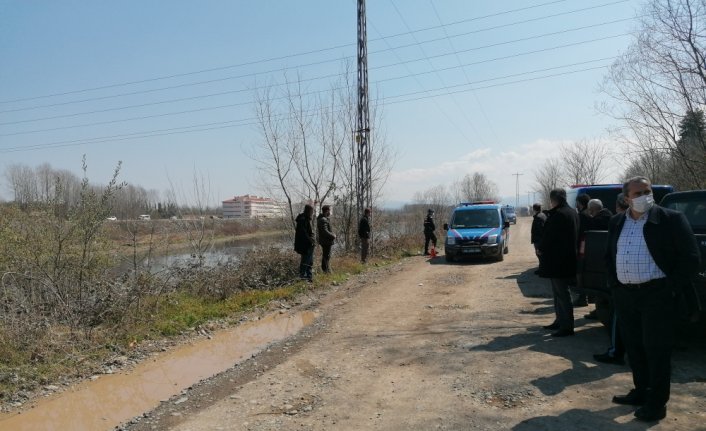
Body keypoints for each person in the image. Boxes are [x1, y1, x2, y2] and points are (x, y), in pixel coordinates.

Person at [607, 176, 700, 422]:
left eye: (647, 191)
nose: (643, 197)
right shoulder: (617, 222)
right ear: (626, 198)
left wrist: (668, 288)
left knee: (656, 350)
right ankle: (641, 391)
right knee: (634, 348)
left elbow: (691, 259)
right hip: (626, 296)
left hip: (656, 297)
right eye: (637, 193)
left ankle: (657, 403)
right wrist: (614, 285)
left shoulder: (670, 219)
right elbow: (610, 255)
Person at [537, 188, 580, 337]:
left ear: (554, 200)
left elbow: (549, 237)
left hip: (558, 260)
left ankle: (567, 326)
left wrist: (541, 248)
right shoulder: (573, 212)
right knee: (558, 293)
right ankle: (559, 321)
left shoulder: (559, 215)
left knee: (562, 294)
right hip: (568, 258)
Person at [572, 193, 592, 307]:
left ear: (580, 203)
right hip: (589, 247)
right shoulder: (589, 213)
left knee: (580, 273)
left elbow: (579, 233)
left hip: (582, 247)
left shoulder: (582, 215)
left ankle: (582, 297)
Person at [294, 204, 315, 282]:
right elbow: (304, 234)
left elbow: (309, 232)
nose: (312, 213)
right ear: (308, 211)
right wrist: (311, 241)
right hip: (305, 246)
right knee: (305, 262)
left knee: (310, 261)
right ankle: (302, 278)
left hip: (309, 245)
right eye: (311, 211)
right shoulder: (302, 220)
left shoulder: (306, 218)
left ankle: (309, 278)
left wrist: (312, 240)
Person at [317, 205, 336, 273]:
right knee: (326, 256)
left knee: (326, 255)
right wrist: (333, 235)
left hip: (325, 241)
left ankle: (326, 270)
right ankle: (326, 270)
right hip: (326, 241)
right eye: (329, 210)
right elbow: (325, 231)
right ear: (327, 211)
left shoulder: (324, 218)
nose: (330, 212)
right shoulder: (323, 219)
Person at [530, 203, 547, 273]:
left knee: (540, 254)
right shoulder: (542, 215)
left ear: (534, 209)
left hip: (539, 240)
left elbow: (540, 230)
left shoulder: (538, 217)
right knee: (540, 254)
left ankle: (542, 269)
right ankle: (542, 268)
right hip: (540, 239)